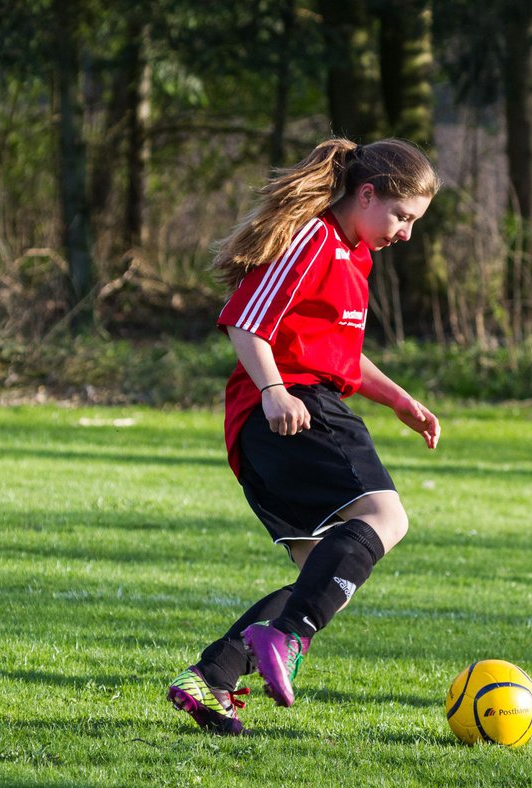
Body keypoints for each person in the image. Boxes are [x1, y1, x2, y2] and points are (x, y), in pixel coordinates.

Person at [167, 138, 442, 735]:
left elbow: (339, 354)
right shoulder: (313, 238)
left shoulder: (354, 255)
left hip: (279, 414)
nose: (406, 234)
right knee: (386, 519)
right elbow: (246, 321)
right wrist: (274, 390)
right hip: (290, 408)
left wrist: (400, 400)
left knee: (322, 572)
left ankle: (212, 675)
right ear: (366, 194)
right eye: (402, 216)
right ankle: (287, 637)